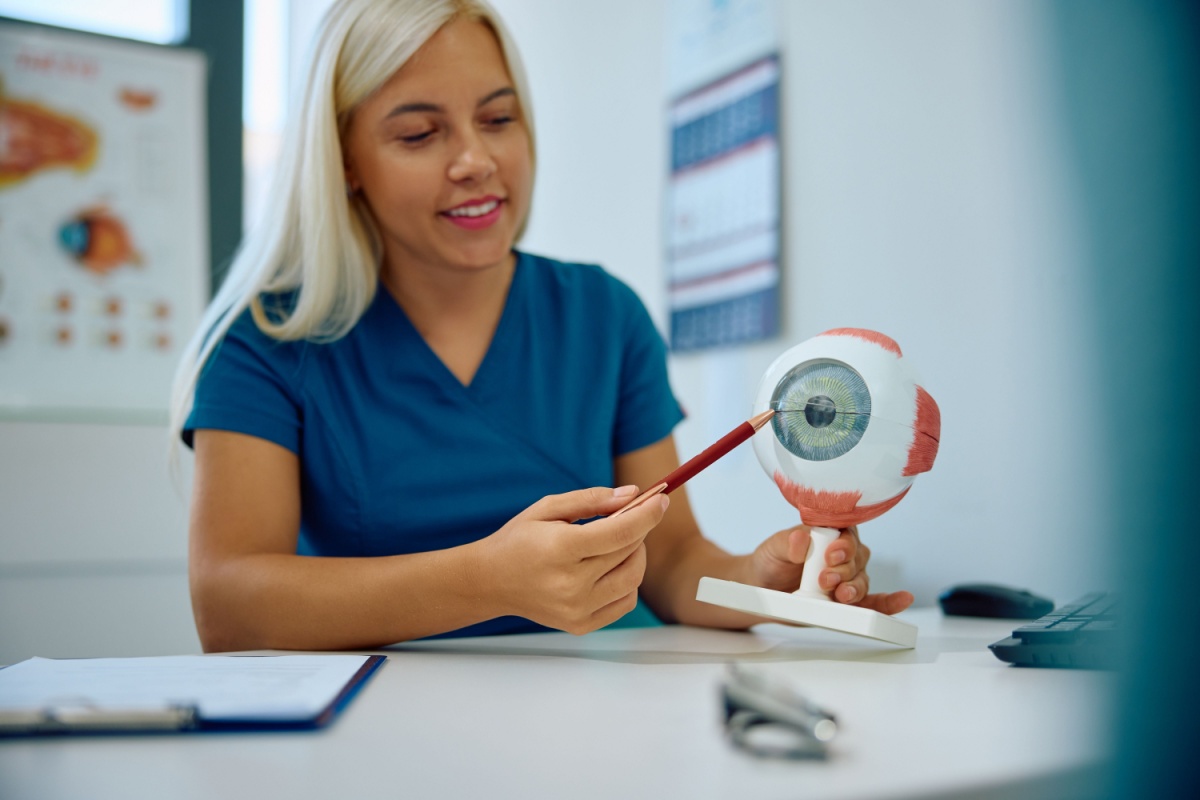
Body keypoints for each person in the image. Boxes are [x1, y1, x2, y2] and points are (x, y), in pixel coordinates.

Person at [169, 0, 913, 653]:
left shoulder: (603, 315)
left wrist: (765, 580)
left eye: (498, 119)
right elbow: (230, 605)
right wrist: (487, 581)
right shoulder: (264, 344)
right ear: (346, 163)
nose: (476, 160)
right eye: (420, 134)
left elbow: (676, 561)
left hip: (602, 717)